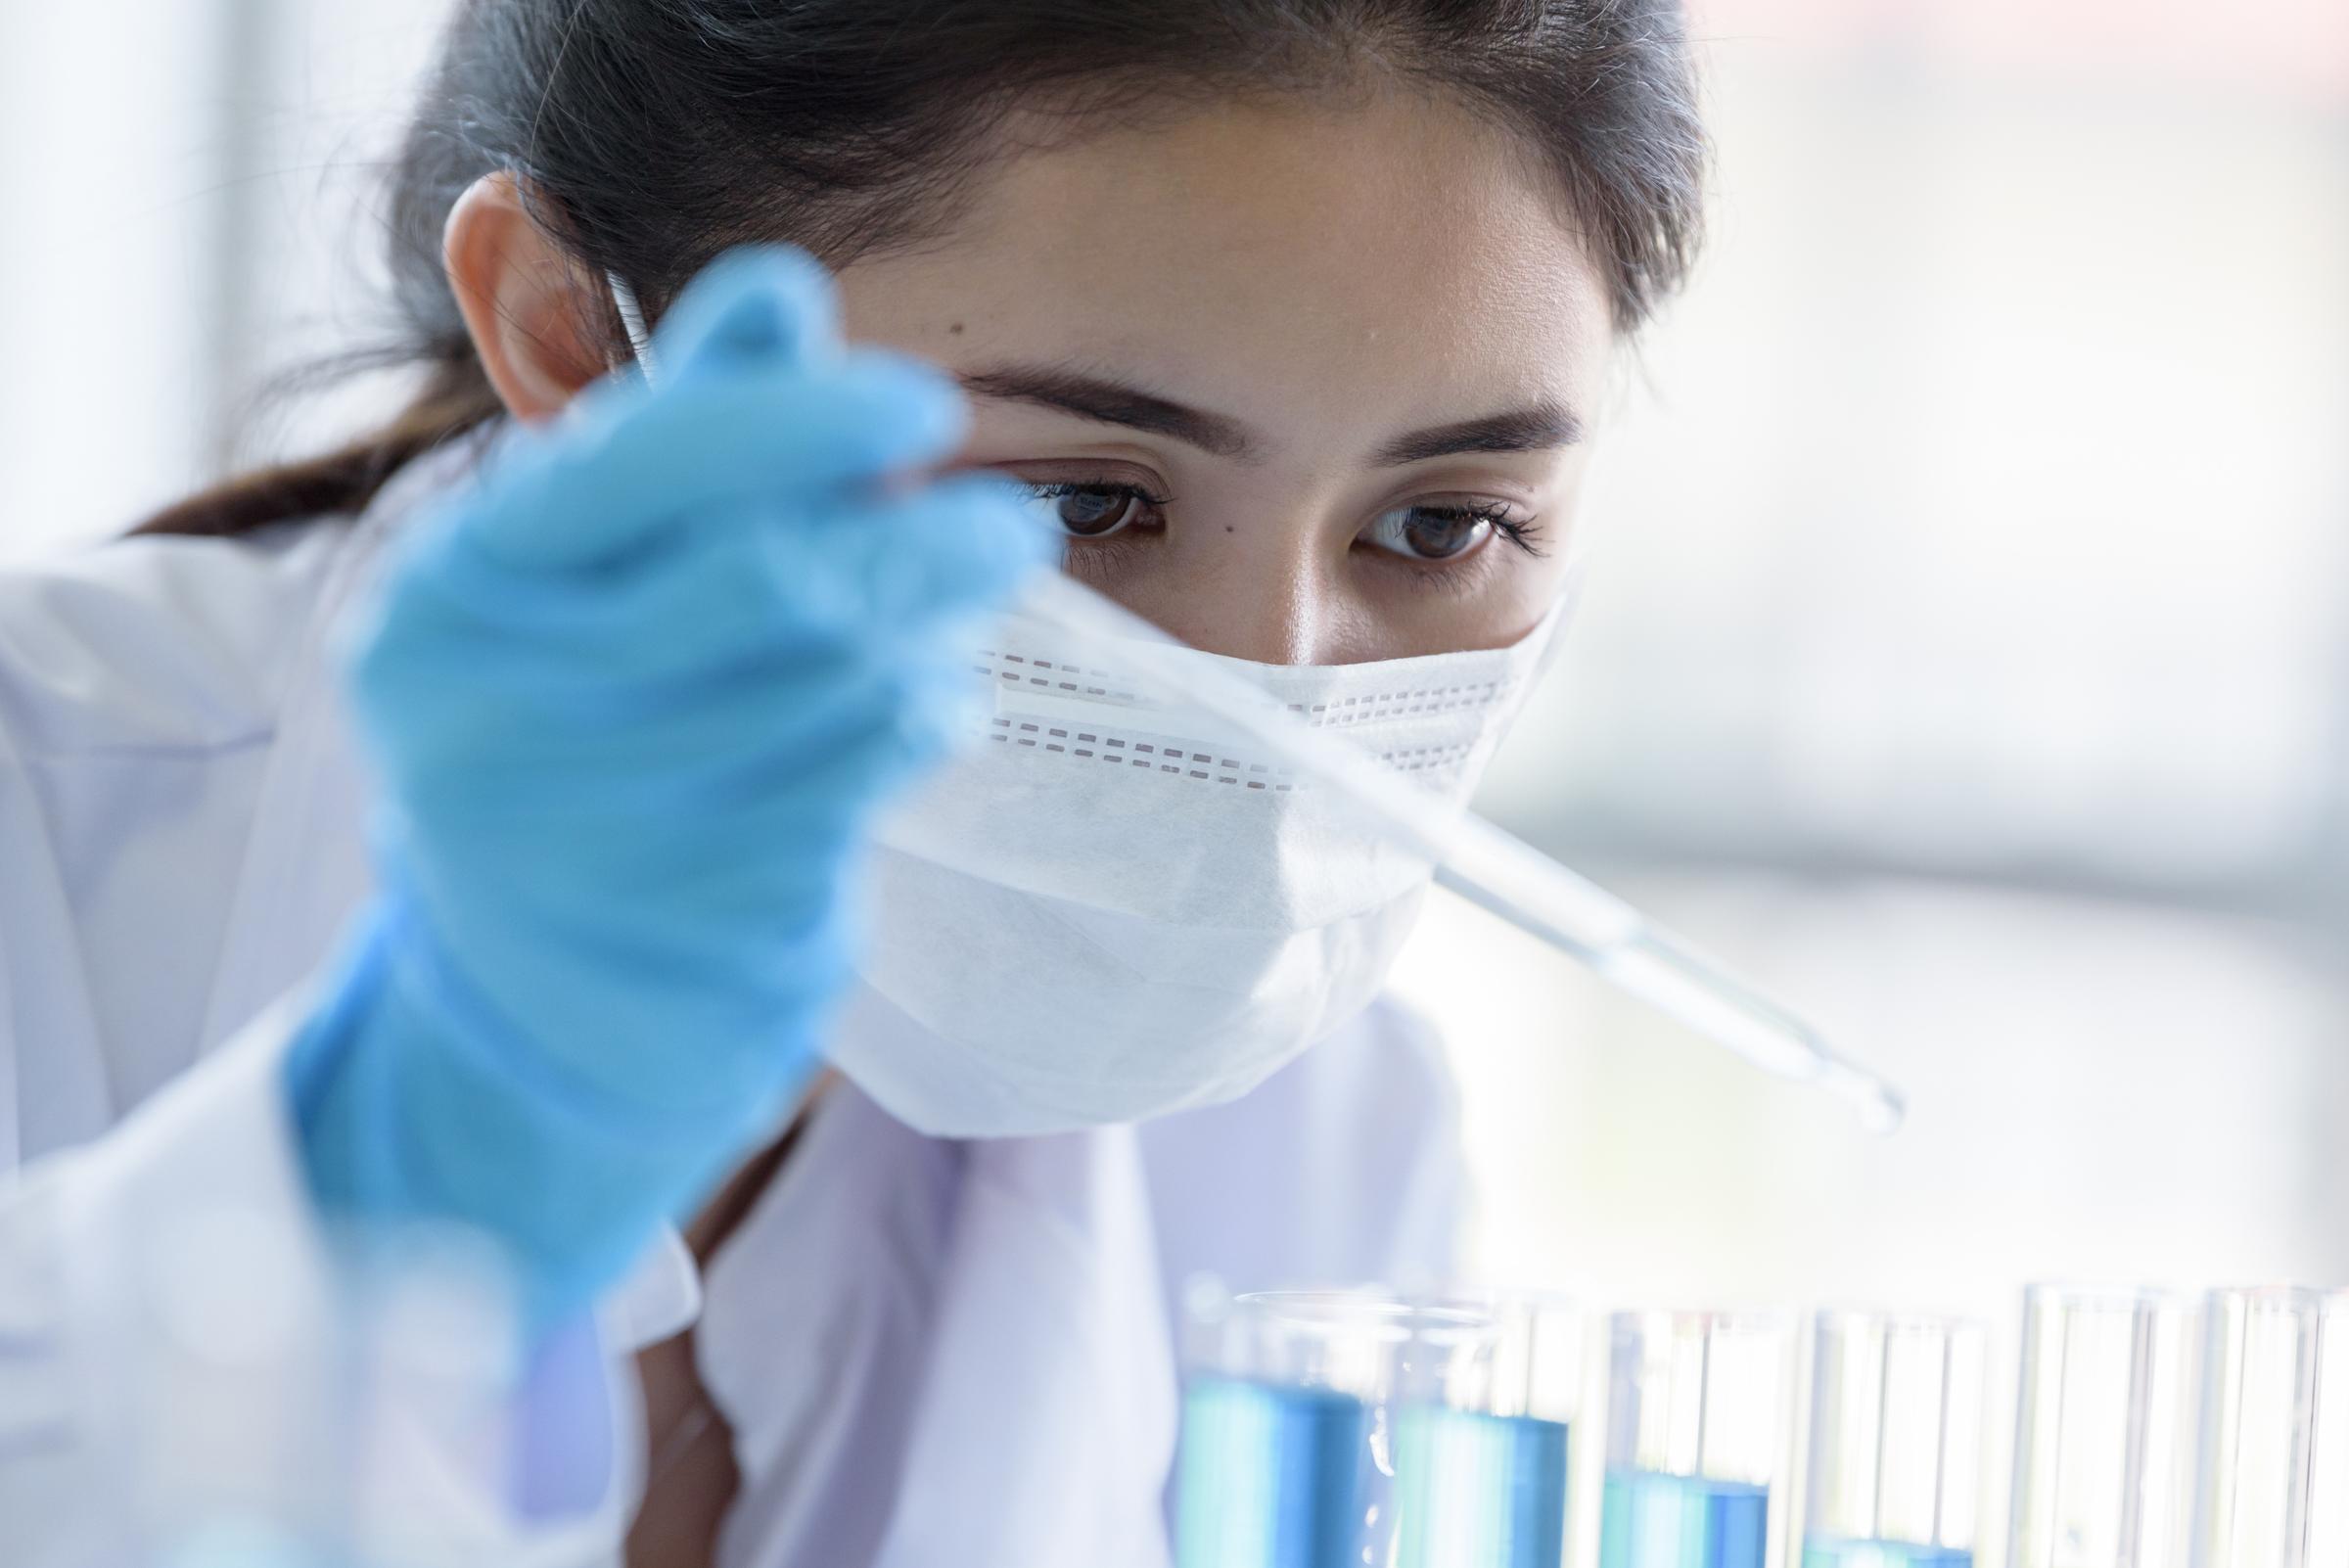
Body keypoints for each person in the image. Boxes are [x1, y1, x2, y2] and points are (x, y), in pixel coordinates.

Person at [0, 2, 1704, 1564]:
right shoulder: (42, 830)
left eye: (1442, 527)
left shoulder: (1326, 1146)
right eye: (1079, 502)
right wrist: (364, 1197)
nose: (1271, 698)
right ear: (575, 340)